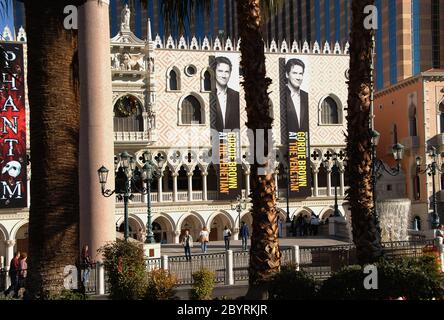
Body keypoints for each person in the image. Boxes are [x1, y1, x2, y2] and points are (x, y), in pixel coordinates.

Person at [210, 56, 240, 132]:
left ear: (230, 73)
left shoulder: (236, 96)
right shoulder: (208, 95)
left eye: (227, 72)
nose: (224, 75)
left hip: (231, 138)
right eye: (220, 71)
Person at [285, 58, 309, 133]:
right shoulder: (283, 95)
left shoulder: (305, 96)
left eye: (300, 74)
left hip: (302, 139)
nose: (298, 78)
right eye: (294, 73)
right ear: (287, 74)